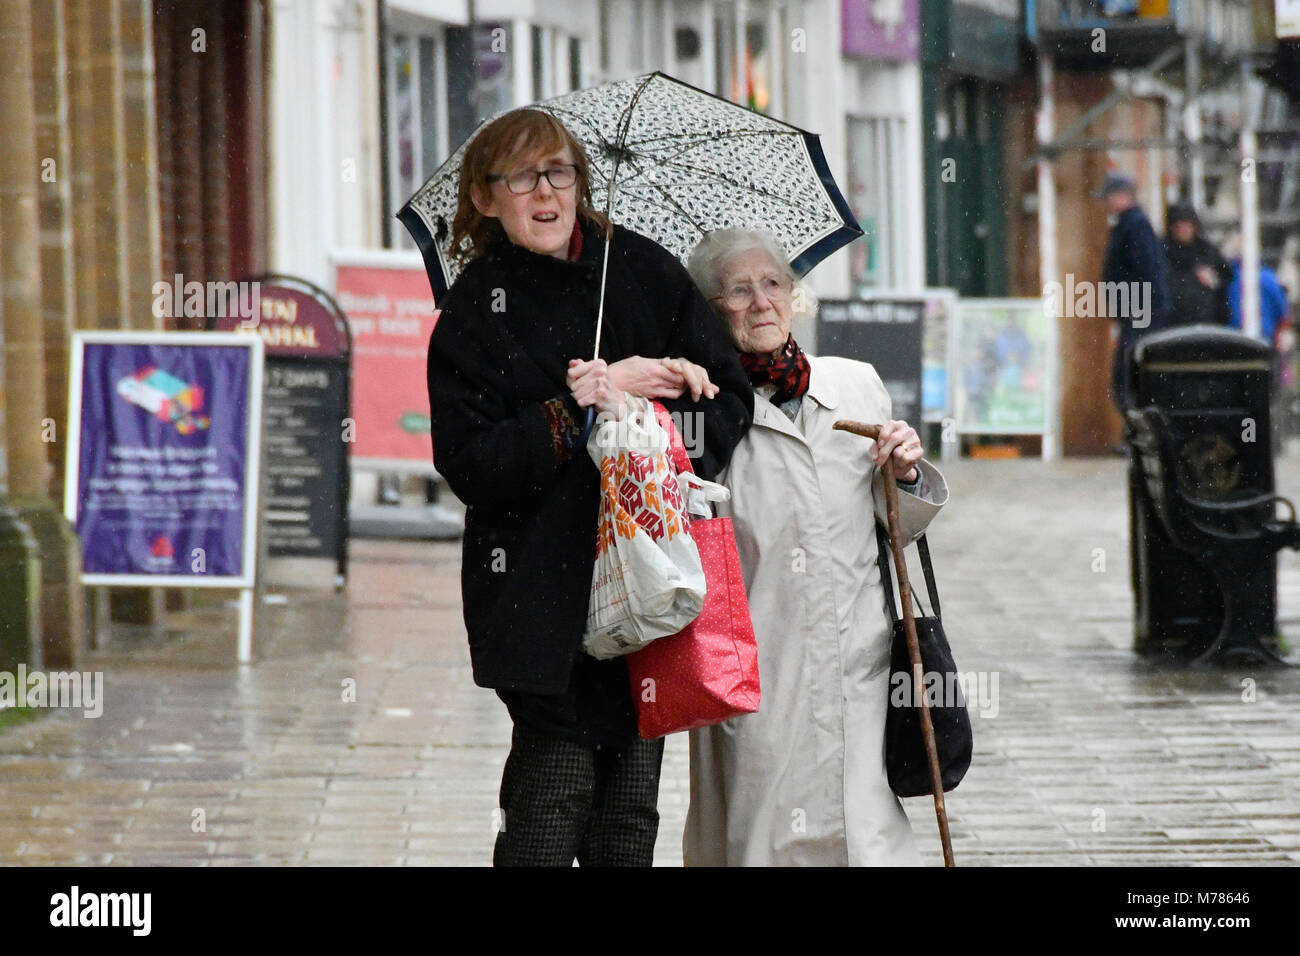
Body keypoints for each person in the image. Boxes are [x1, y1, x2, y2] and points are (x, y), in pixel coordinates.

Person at [425, 109, 754, 866]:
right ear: (485, 197)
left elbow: (728, 407)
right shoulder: (475, 311)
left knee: (629, 818)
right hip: (537, 593)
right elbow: (472, 466)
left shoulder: (641, 271)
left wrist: (648, 411)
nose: (546, 191)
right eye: (522, 176)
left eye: (560, 171)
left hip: (650, 580)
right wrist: (576, 408)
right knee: (553, 799)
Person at [682, 227, 949, 866]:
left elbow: (899, 528)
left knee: (867, 842)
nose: (761, 302)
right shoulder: (702, 410)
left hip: (859, 667)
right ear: (710, 308)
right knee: (763, 841)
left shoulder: (855, 387)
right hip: (757, 676)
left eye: (772, 284)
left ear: (794, 294)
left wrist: (906, 473)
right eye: (737, 290)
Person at [1098, 174, 1170, 411]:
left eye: (1109, 197)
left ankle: (1139, 429)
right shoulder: (1131, 226)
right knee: (1129, 379)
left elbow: (1146, 271)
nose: (1106, 203)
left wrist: (1134, 310)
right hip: (1138, 317)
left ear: (1122, 197)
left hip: (1140, 318)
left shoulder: (1134, 226)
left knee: (1129, 380)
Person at [1163, 202, 1232, 327]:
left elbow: (1225, 279)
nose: (1183, 231)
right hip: (1172, 324)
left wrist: (1213, 280)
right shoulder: (1162, 252)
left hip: (1206, 323)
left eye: (1187, 226)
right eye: (1179, 226)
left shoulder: (1207, 251)